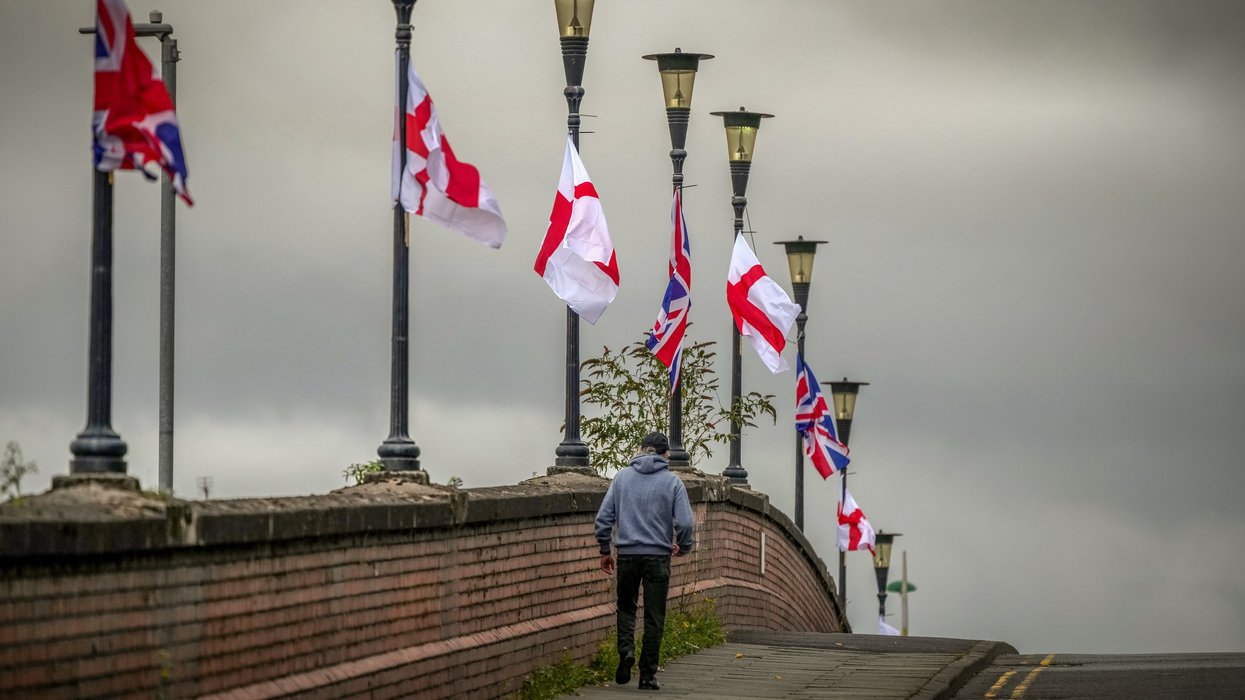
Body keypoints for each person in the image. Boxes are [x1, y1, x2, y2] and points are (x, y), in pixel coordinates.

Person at [594, 431, 695, 691]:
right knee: (654, 616)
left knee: (626, 608)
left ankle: (626, 651)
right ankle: (647, 676)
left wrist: (605, 549)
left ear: (641, 449)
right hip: (658, 557)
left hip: (627, 555)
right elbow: (685, 522)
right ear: (666, 455)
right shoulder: (672, 483)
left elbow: (603, 519)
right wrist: (683, 546)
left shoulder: (621, 478)